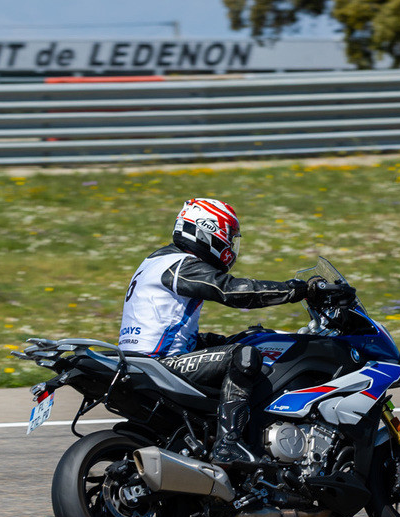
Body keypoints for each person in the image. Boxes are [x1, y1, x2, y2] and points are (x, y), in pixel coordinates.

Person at [119, 198, 353, 466]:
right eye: (229, 237)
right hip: (160, 363)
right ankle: (228, 445)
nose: (231, 246)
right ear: (208, 231)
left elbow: (173, 330)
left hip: (141, 359)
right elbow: (231, 291)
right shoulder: (182, 264)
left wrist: (235, 338)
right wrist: (296, 290)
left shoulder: (156, 260)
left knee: (236, 342)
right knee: (243, 357)